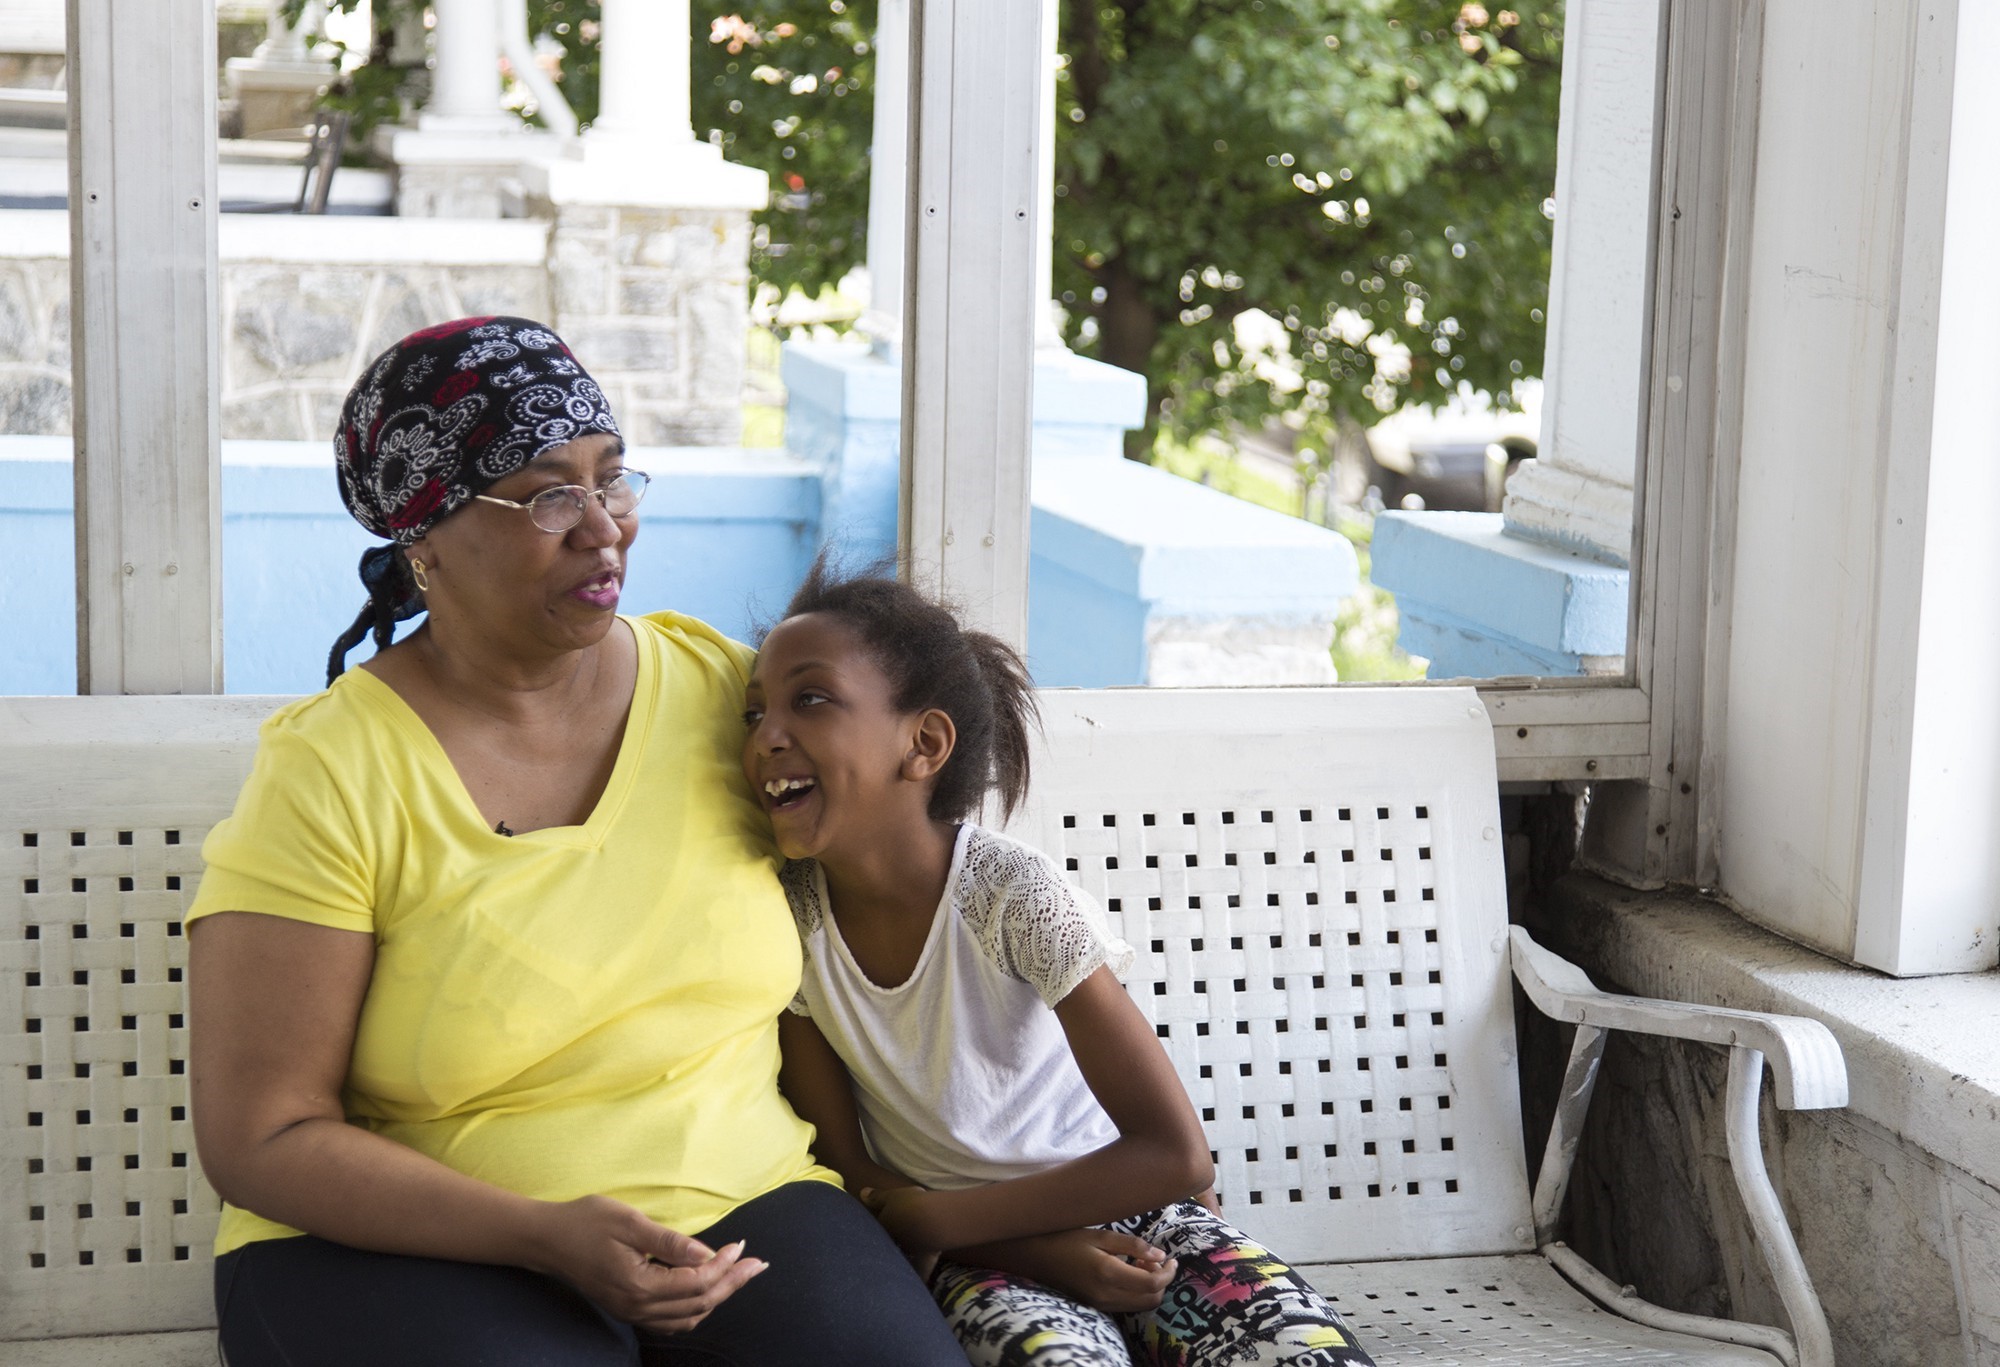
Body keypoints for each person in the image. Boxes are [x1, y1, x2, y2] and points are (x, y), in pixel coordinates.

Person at [186, 318, 967, 1367]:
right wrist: (543, 1234)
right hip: (409, 1241)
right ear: (427, 536)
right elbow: (263, 1136)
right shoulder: (334, 770)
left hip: (738, 1197)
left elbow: (918, 879)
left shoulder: (733, 700)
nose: (602, 529)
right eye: (548, 494)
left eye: (612, 482)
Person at [741, 560, 1378, 1367]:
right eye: (753, 710)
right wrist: (1033, 1248)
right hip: (982, 1257)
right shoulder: (789, 924)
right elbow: (850, 1168)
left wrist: (940, 1220)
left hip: (1138, 1218)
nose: (765, 734)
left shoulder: (1011, 895)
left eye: (811, 698)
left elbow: (1174, 1154)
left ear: (924, 742)